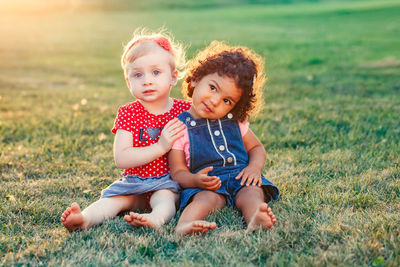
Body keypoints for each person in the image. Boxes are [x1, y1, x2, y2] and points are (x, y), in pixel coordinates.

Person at [60, 29, 191, 231]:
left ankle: (155, 219)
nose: (147, 80)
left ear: (173, 77)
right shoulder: (128, 113)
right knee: (113, 201)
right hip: (133, 183)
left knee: (165, 200)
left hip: (167, 181)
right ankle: (84, 218)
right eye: (138, 74)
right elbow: (122, 158)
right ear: (129, 81)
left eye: (156, 72)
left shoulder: (184, 110)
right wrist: (161, 146)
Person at [168, 41, 279, 236]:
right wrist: (195, 180)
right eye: (213, 88)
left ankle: (255, 218)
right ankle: (185, 224)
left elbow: (256, 148)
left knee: (252, 192)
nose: (215, 101)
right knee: (205, 200)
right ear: (195, 79)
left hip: (240, 176)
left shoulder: (236, 122)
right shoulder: (179, 127)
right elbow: (177, 171)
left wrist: (253, 168)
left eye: (227, 101)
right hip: (208, 184)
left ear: (234, 106)